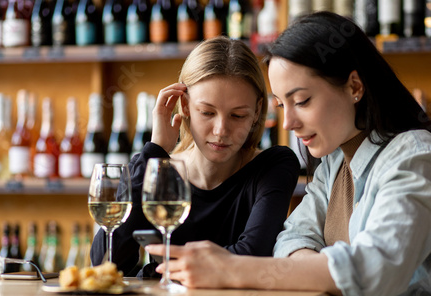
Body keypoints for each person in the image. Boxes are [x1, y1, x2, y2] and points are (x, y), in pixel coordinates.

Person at [146, 12, 431, 296]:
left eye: (301, 101)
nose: (288, 122)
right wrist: (350, 284)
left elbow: (374, 269)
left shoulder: (417, 157)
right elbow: (291, 240)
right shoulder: (334, 164)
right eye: (281, 105)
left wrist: (231, 268)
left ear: (354, 86)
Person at [90, 36, 301, 277]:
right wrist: (155, 149)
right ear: (186, 106)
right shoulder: (159, 170)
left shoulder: (274, 166)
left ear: (256, 113)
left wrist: (164, 270)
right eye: (207, 112)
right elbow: (106, 263)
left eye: (238, 116)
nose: (221, 130)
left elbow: (253, 255)